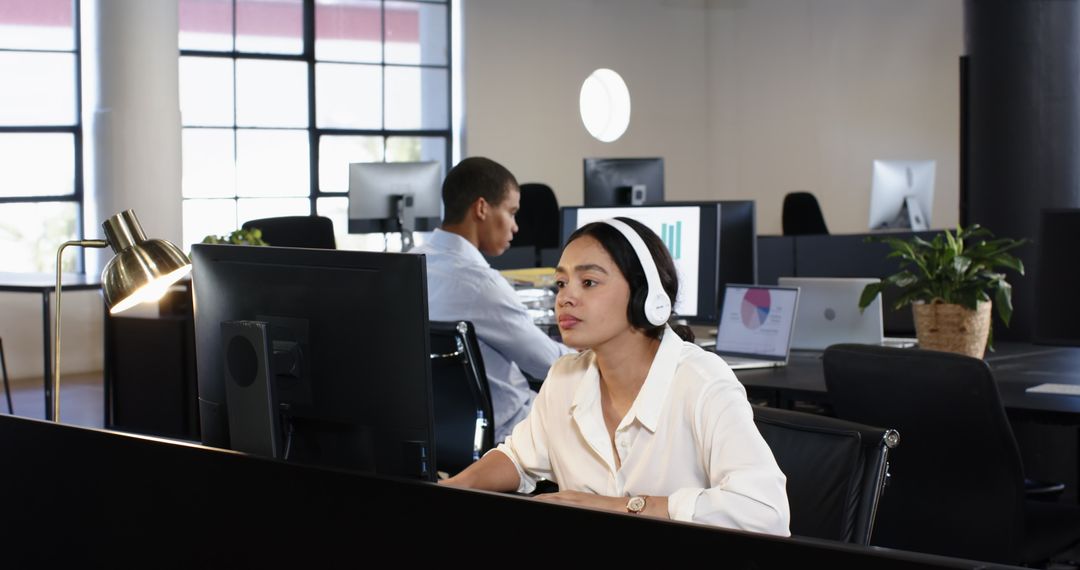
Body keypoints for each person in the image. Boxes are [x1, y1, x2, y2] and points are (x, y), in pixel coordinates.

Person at [440, 217, 790, 535]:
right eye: (561, 283)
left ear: (645, 296)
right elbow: (518, 458)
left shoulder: (700, 379)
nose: (566, 298)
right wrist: (449, 491)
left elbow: (765, 512)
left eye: (588, 282)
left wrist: (622, 508)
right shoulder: (566, 376)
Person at [412, 157, 573, 443]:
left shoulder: (408, 265)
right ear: (482, 208)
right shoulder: (481, 284)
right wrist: (604, 354)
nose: (515, 227)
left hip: (444, 434)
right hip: (509, 432)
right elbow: (551, 365)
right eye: (511, 212)